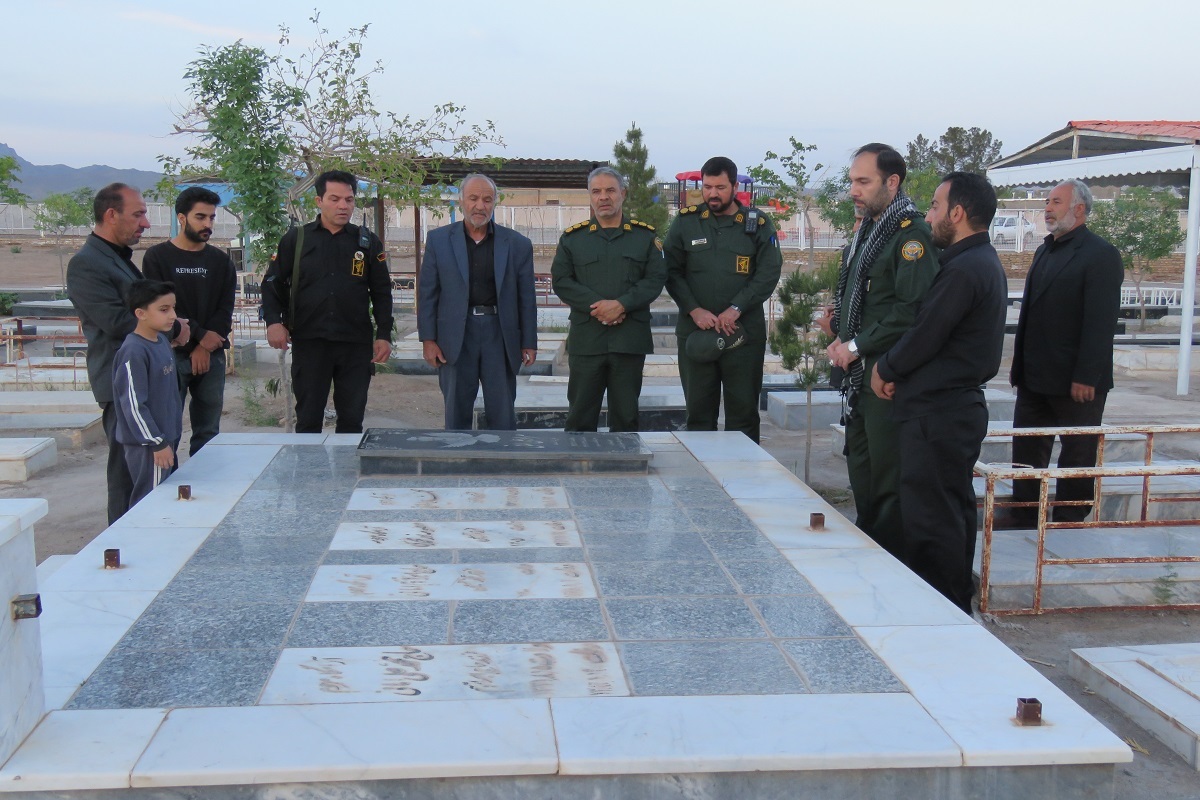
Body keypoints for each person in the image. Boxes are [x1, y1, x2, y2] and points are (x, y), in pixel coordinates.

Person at [870, 172, 1007, 613]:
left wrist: (886, 367)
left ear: (957, 213)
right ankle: (952, 605)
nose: (928, 216)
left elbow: (927, 332)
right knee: (949, 512)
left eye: (934, 206)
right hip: (947, 408)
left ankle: (938, 611)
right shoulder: (974, 261)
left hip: (940, 412)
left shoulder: (965, 268)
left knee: (931, 521)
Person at [825, 143, 939, 556]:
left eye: (863, 181)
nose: (853, 191)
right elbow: (863, 299)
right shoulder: (871, 230)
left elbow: (911, 310)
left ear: (892, 182)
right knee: (862, 468)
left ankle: (889, 561)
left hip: (884, 375)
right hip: (859, 374)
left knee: (887, 477)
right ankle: (868, 546)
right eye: (852, 181)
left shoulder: (910, 235)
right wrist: (840, 332)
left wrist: (856, 345)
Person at [67, 183, 189, 524]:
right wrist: (174, 328)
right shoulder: (86, 264)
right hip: (124, 387)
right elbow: (117, 321)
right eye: (138, 215)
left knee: (156, 470)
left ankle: (153, 536)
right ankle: (123, 542)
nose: (145, 223)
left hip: (151, 380)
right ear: (111, 214)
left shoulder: (117, 257)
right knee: (129, 475)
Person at [1009, 179, 1123, 522]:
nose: (1047, 208)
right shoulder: (1045, 250)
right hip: (1034, 378)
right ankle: (1025, 515)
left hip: (1076, 382)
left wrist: (1087, 375)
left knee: (1077, 453)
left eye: (1056, 202)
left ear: (1079, 209)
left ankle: (1070, 520)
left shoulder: (1100, 254)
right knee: (1027, 451)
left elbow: (1101, 322)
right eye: (1047, 201)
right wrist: (1019, 369)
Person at [262, 170, 394, 434]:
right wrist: (274, 322)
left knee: (352, 421)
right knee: (308, 419)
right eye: (335, 199)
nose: (343, 206)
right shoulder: (297, 239)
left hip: (354, 344)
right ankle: (307, 463)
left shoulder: (367, 242)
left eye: (349, 199)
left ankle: (348, 463)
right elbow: (272, 282)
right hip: (310, 342)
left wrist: (383, 335)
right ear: (319, 201)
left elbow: (381, 292)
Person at [663, 156, 782, 443]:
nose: (712, 194)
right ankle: (703, 471)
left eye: (720, 187)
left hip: (742, 335)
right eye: (707, 187)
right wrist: (694, 310)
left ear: (734, 187)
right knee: (698, 416)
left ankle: (742, 470)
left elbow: (768, 272)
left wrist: (736, 308)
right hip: (697, 334)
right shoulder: (686, 222)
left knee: (743, 416)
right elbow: (670, 270)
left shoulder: (757, 223)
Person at [551, 167, 666, 432]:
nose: (603, 197)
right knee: (580, 416)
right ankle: (579, 459)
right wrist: (599, 307)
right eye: (597, 191)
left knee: (626, 418)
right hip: (587, 340)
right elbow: (562, 281)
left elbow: (655, 279)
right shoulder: (573, 239)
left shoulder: (645, 238)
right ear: (590, 196)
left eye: (610, 190)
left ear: (623, 193)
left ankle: (624, 460)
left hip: (629, 340)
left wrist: (621, 305)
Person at [418, 173, 537, 430]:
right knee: (456, 414)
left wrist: (529, 341)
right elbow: (428, 293)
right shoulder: (439, 241)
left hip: (499, 334)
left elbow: (526, 297)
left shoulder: (517, 244)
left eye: (487, 199)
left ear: (495, 202)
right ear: (461, 200)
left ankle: (503, 455)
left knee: (502, 414)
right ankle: (457, 456)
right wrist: (428, 339)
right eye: (473, 198)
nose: (480, 206)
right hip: (455, 337)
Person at [142, 187, 236, 455]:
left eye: (212, 217)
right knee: (167, 428)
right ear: (182, 218)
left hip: (211, 355)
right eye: (200, 217)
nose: (208, 224)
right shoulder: (157, 257)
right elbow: (161, 307)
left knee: (208, 431)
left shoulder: (220, 261)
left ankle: (205, 478)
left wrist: (205, 346)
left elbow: (225, 308)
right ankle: (168, 479)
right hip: (171, 353)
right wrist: (198, 336)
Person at [112, 280, 184, 508]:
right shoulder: (133, 351)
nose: (173, 315)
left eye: (173, 308)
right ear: (141, 313)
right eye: (164, 309)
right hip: (148, 446)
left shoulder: (161, 341)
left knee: (164, 499)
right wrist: (156, 442)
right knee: (150, 503)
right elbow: (133, 405)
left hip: (166, 438)